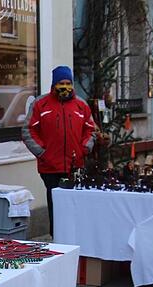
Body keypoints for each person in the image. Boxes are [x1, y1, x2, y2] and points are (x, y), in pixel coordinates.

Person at [21, 65, 96, 236]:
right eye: (61, 82)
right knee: (55, 203)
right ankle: (58, 236)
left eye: (68, 82)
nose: (65, 86)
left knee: (75, 203)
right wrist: (42, 152)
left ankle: (76, 236)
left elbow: (90, 129)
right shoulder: (40, 104)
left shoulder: (81, 105)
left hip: (75, 165)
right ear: (54, 84)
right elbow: (28, 130)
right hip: (50, 166)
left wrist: (86, 147)